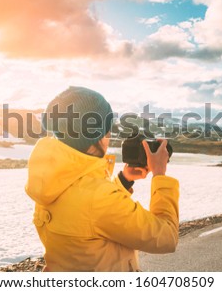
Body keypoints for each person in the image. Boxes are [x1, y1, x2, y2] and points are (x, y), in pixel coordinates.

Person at [25, 86, 179, 271]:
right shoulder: (99, 199)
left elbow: (87, 214)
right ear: (94, 136)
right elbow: (166, 237)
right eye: (106, 130)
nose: (108, 137)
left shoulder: (52, 178)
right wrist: (159, 175)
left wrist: (124, 180)